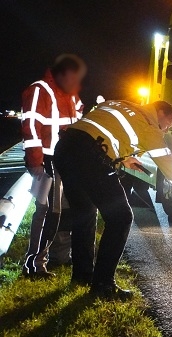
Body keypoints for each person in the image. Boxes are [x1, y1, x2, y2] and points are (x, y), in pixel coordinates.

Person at [53, 100, 172, 300]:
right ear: (161, 114)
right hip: (89, 155)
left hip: (66, 147)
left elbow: (102, 131)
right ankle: (103, 285)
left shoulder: (120, 104)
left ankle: (82, 276)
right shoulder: (149, 125)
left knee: (84, 213)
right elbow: (169, 165)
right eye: (167, 126)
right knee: (121, 218)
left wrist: (123, 159)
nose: (164, 131)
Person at [21, 54, 86, 278]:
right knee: (48, 211)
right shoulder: (39, 90)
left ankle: (61, 256)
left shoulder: (70, 94)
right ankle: (34, 264)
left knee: (64, 210)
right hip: (48, 160)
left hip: (66, 160)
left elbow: (78, 122)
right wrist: (36, 161)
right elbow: (30, 126)